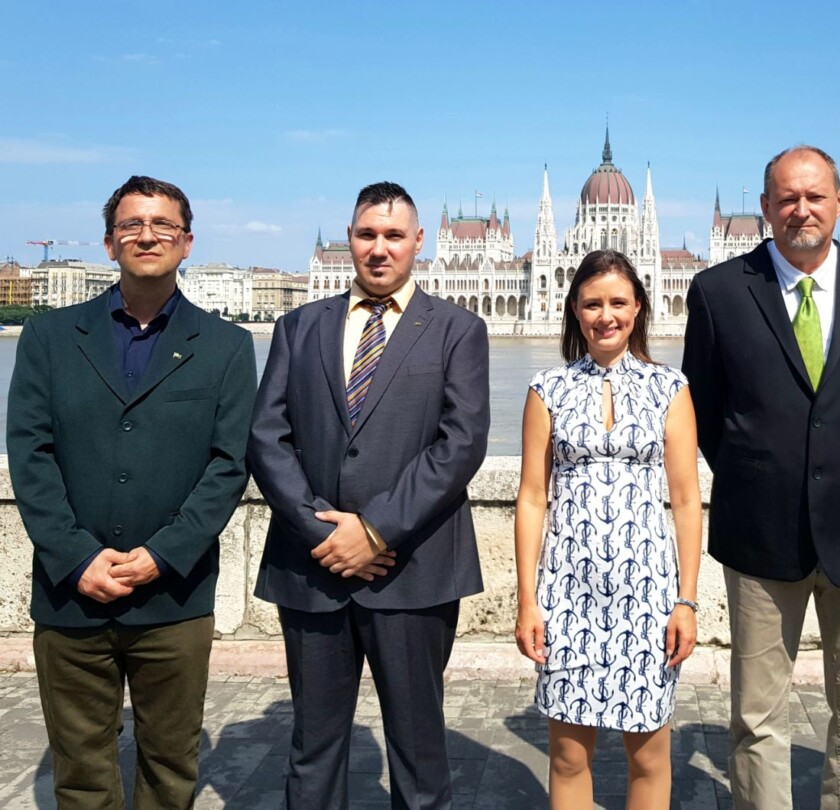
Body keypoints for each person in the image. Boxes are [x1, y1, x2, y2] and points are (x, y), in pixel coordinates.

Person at [7, 175, 257, 809]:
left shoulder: (227, 346)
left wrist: (163, 554)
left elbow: (229, 465)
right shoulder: (48, 338)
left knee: (170, 768)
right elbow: (30, 456)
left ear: (187, 242)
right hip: (71, 595)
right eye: (132, 225)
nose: (148, 235)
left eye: (163, 224)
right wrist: (75, 556)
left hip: (174, 596)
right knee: (80, 772)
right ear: (109, 242)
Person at [683, 145, 840, 809]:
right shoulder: (719, 291)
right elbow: (704, 410)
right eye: (787, 198)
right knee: (757, 715)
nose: (801, 210)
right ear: (765, 207)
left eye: (814, 196)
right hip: (758, 529)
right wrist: (759, 473)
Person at [248, 181, 489, 810]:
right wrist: (324, 533)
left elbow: (461, 445)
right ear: (349, 240)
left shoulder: (459, 329)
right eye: (366, 234)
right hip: (314, 568)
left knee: (419, 752)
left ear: (418, 242)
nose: (379, 248)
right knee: (313, 750)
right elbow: (267, 437)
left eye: (393, 235)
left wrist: (375, 529)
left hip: (413, 572)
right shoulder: (299, 327)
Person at [514, 250, 702, 809]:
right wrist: (527, 601)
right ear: (574, 309)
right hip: (567, 592)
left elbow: (686, 500)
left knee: (649, 755)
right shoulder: (547, 388)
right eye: (592, 304)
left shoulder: (670, 387)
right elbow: (532, 497)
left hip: (647, 594)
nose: (606, 316)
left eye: (618, 302)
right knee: (569, 756)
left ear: (638, 307)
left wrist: (686, 601)